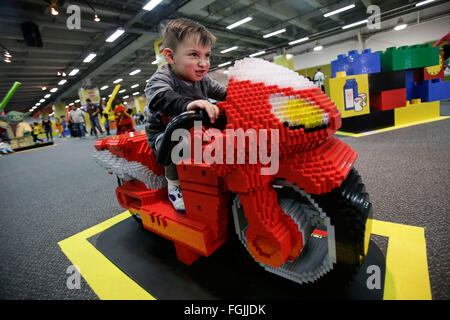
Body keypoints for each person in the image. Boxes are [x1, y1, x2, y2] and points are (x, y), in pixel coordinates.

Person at [144, 18, 226, 213]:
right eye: (193, 55)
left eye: (207, 55)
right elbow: (160, 98)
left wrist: (243, 93)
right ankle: (174, 184)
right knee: (181, 139)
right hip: (164, 134)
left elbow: (224, 93)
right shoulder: (161, 79)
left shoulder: (204, 80)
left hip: (195, 127)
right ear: (170, 57)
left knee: (225, 127)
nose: (203, 63)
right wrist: (188, 104)